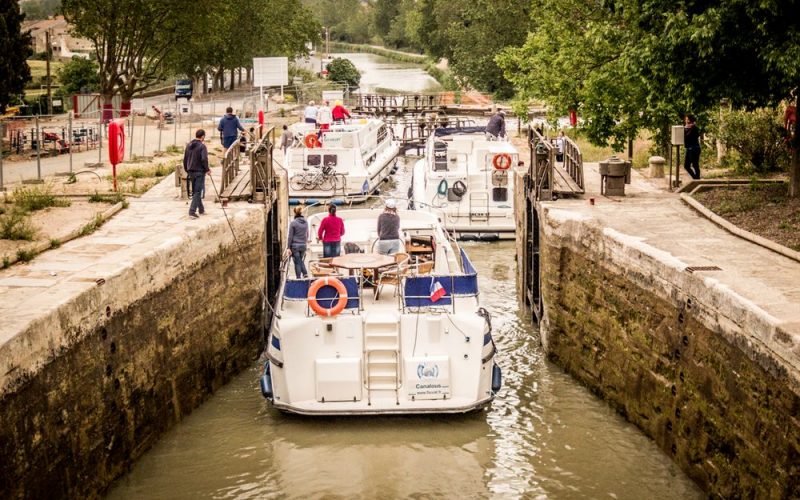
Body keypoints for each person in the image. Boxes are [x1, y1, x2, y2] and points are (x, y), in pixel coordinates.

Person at [183, 129, 210, 219]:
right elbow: (204, 159)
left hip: (190, 170)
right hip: (199, 171)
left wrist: (187, 169)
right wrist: (207, 169)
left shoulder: (189, 145)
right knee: (198, 192)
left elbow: (185, 159)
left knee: (195, 191)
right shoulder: (202, 146)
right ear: (202, 136)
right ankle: (192, 211)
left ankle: (201, 209)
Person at [285, 206, 309, 278]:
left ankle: (301, 275)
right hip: (303, 246)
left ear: (295, 213)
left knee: (298, 262)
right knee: (298, 261)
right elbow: (307, 234)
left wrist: (288, 247)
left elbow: (290, 236)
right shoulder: (306, 222)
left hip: (295, 246)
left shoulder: (293, 223)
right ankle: (303, 275)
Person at [684, 114, 701, 179]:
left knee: (695, 165)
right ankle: (695, 179)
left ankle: (697, 179)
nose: (686, 121)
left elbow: (688, 137)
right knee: (686, 166)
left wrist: (685, 130)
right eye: (686, 119)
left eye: (688, 119)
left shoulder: (694, 128)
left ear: (691, 120)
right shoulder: (686, 128)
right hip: (689, 149)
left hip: (694, 149)